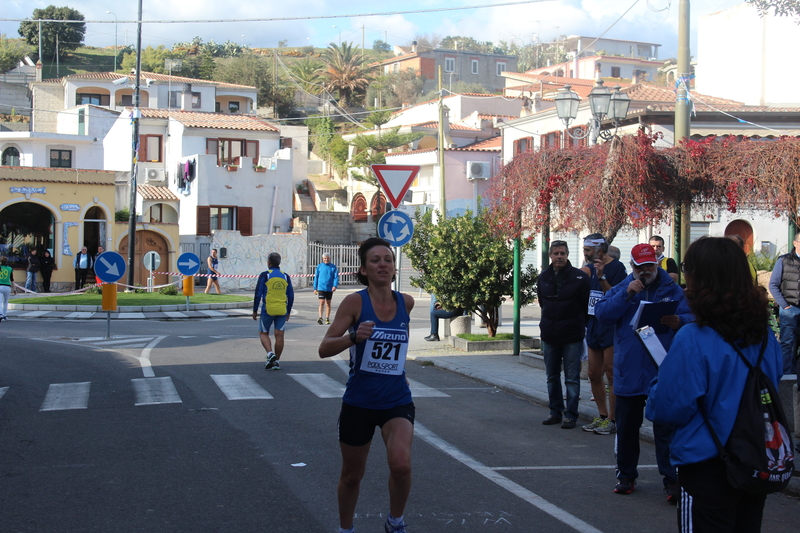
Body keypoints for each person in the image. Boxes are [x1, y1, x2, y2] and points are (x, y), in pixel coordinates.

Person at [647, 237, 783, 532]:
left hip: (707, 462)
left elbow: (665, 408)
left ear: (699, 277)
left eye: (687, 269)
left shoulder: (693, 338)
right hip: (756, 457)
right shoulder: (765, 337)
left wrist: (660, 379)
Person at [318, 237, 415, 533]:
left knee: (401, 465)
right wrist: (353, 337)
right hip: (359, 402)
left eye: (388, 259)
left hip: (396, 400)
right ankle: (346, 529)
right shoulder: (354, 302)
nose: (383, 264)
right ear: (364, 269)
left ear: (395, 268)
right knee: (352, 475)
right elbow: (324, 348)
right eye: (375, 260)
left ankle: (395, 521)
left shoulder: (405, 302)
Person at [594, 243, 693, 500]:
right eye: (641, 267)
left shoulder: (672, 290)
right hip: (630, 369)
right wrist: (626, 293)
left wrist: (679, 321)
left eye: (651, 265)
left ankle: (672, 480)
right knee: (627, 428)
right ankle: (626, 476)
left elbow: (693, 317)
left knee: (665, 428)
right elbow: (603, 314)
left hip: (662, 369)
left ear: (657, 263)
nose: (646, 271)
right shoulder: (622, 289)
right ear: (633, 266)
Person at [536, 240, 590, 429]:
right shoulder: (543, 277)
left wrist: (578, 325)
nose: (559, 257)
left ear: (567, 255)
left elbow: (585, 306)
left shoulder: (580, 278)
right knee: (552, 376)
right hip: (550, 335)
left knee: (572, 378)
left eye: (563, 253)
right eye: (556, 253)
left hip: (572, 336)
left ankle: (571, 414)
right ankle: (555, 411)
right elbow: (543, 303)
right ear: (550, 255)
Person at [579, 234, 627, 435]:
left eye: (588, 249)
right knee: (592, 372)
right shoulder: (589, 268)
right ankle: (602, 415)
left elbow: (617, 296)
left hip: (610, 326)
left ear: (600, 249)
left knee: (611, 373)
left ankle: (613, 419)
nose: (585, 253)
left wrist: (602, 277)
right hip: (593, 324)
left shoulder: (617, 268)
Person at [252, 252, 294, 370]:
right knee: (279, 335)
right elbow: (290, 295)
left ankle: (270, 354)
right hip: (282, 309)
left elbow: (258, 293)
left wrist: (255, 310)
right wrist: (288, 311)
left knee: (263, 333)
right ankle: (277, 361)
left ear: (269, 263)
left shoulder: (265, 275)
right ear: (279, 262)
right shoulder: (285, 276)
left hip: (268, 309)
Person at [768, 234, 800, 375]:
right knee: (787, 344)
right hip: (789, 309)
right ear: (795, 243)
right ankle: (786, 377)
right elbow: (773, 284)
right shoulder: (784, 261)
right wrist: (784, 305)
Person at [314, 252, 339, 325]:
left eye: (327, 258)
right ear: (323, 259)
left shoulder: (333, 267)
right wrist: (315, 288)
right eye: (325, 258)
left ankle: (327, 318)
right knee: (321, 302)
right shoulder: (319, 266)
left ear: (330, 259)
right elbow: (316, 277)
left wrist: (335, 285)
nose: (326, 259)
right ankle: (320, 317)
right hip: (321, 287)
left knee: (328, 303)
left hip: (329, 288)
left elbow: (336, 277)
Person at [0, 256, 16, 321]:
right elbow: (12, 280)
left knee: (0, 302)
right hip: (7, 286)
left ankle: (0, 314)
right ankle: (4, 315)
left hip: (0, 286)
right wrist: (14, 289)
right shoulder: (10, 268)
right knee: (5, 302)